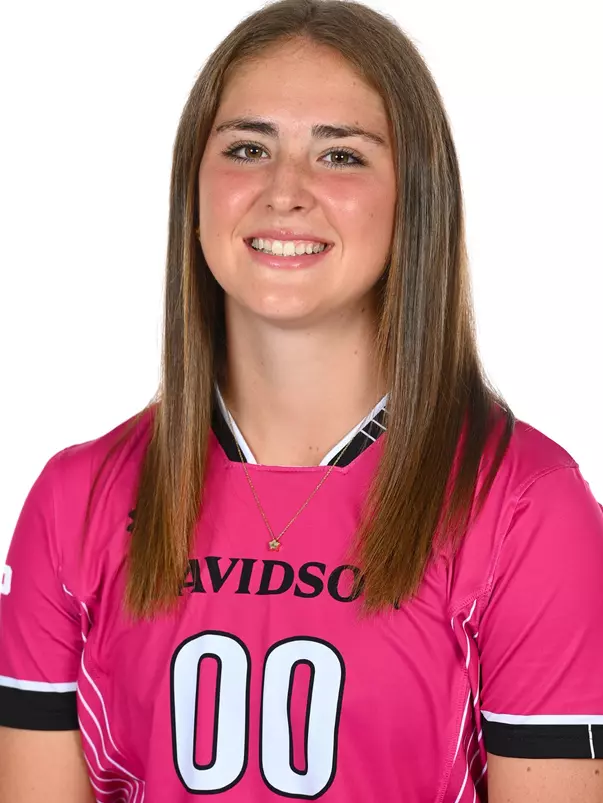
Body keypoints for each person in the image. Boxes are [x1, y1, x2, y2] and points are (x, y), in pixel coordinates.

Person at [1, 0, 603, 800]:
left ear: (413, 199)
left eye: (341, 156)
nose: (284, 192)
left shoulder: (523, 503)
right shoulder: (75, 501)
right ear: (195, 188)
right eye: (247, 148)